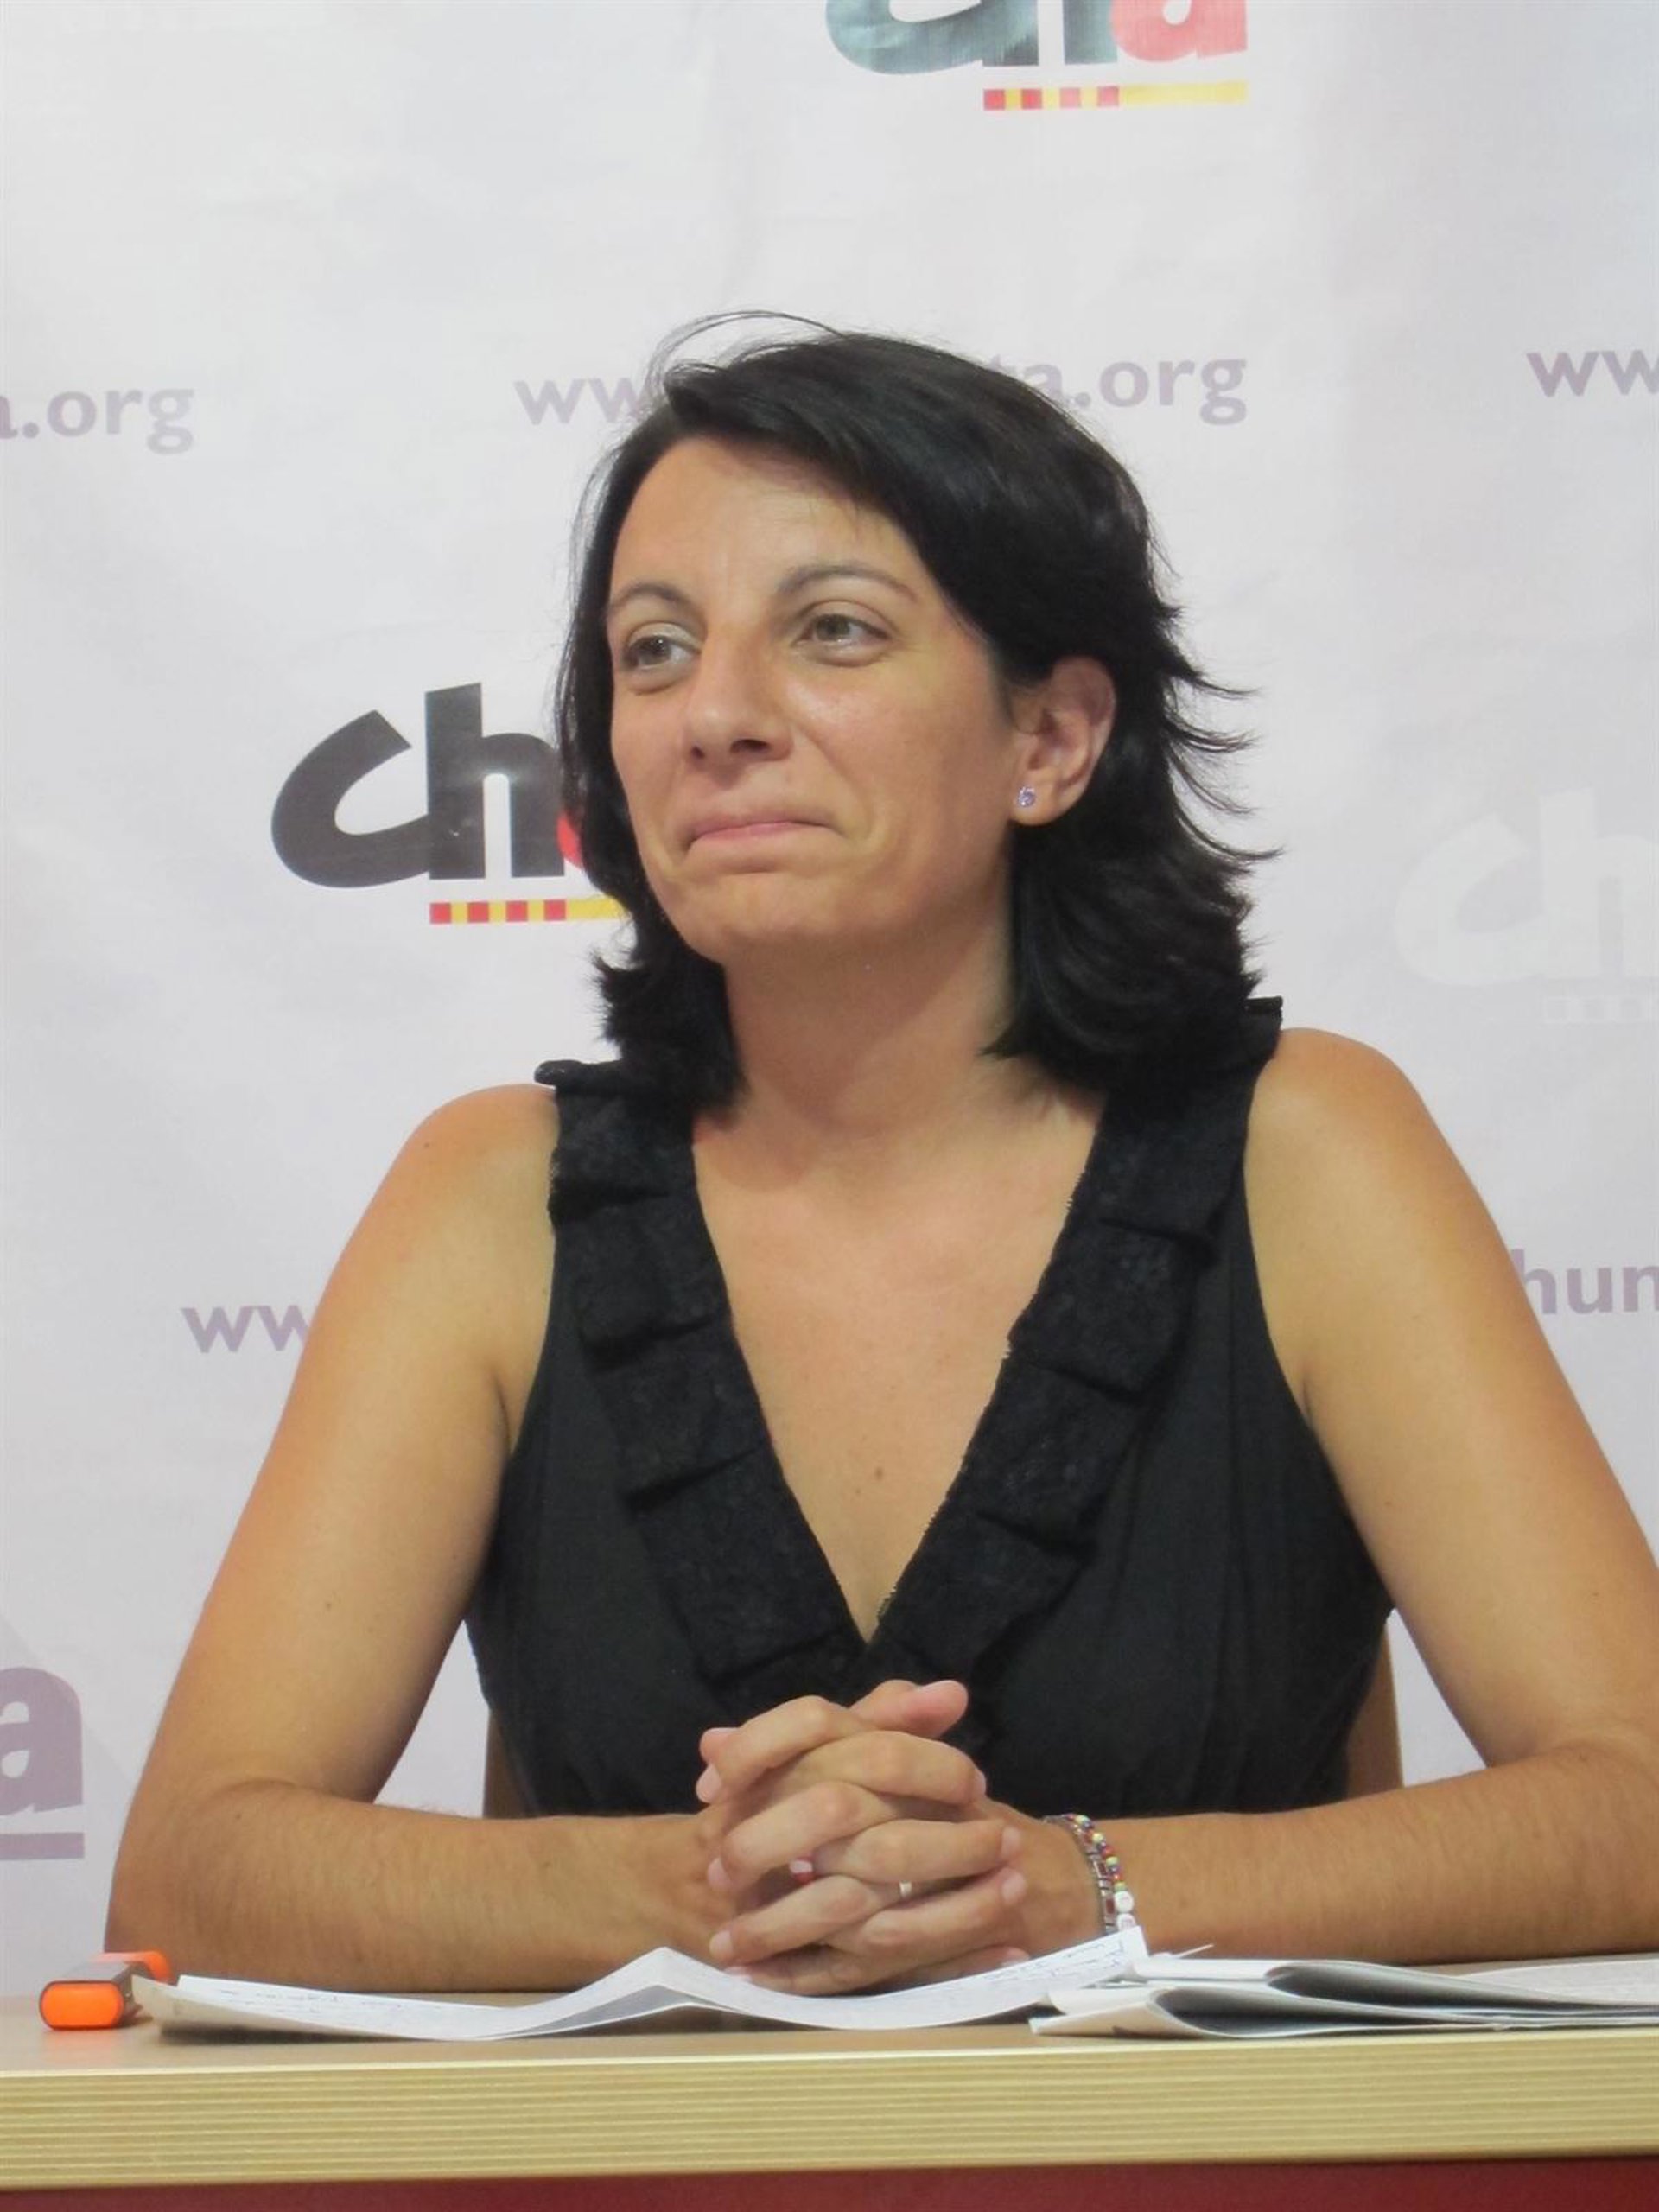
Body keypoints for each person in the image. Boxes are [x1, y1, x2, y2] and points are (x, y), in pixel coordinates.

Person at [108, 327, 1659, 1993]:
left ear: (1051, 738)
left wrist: (1067, 1891)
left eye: (833, 631)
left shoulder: (1310, 1152)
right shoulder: (492, 1195)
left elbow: (1633, 1799)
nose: (716, 716)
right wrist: (712, 1888)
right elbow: (191, 1869)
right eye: (654, 651)